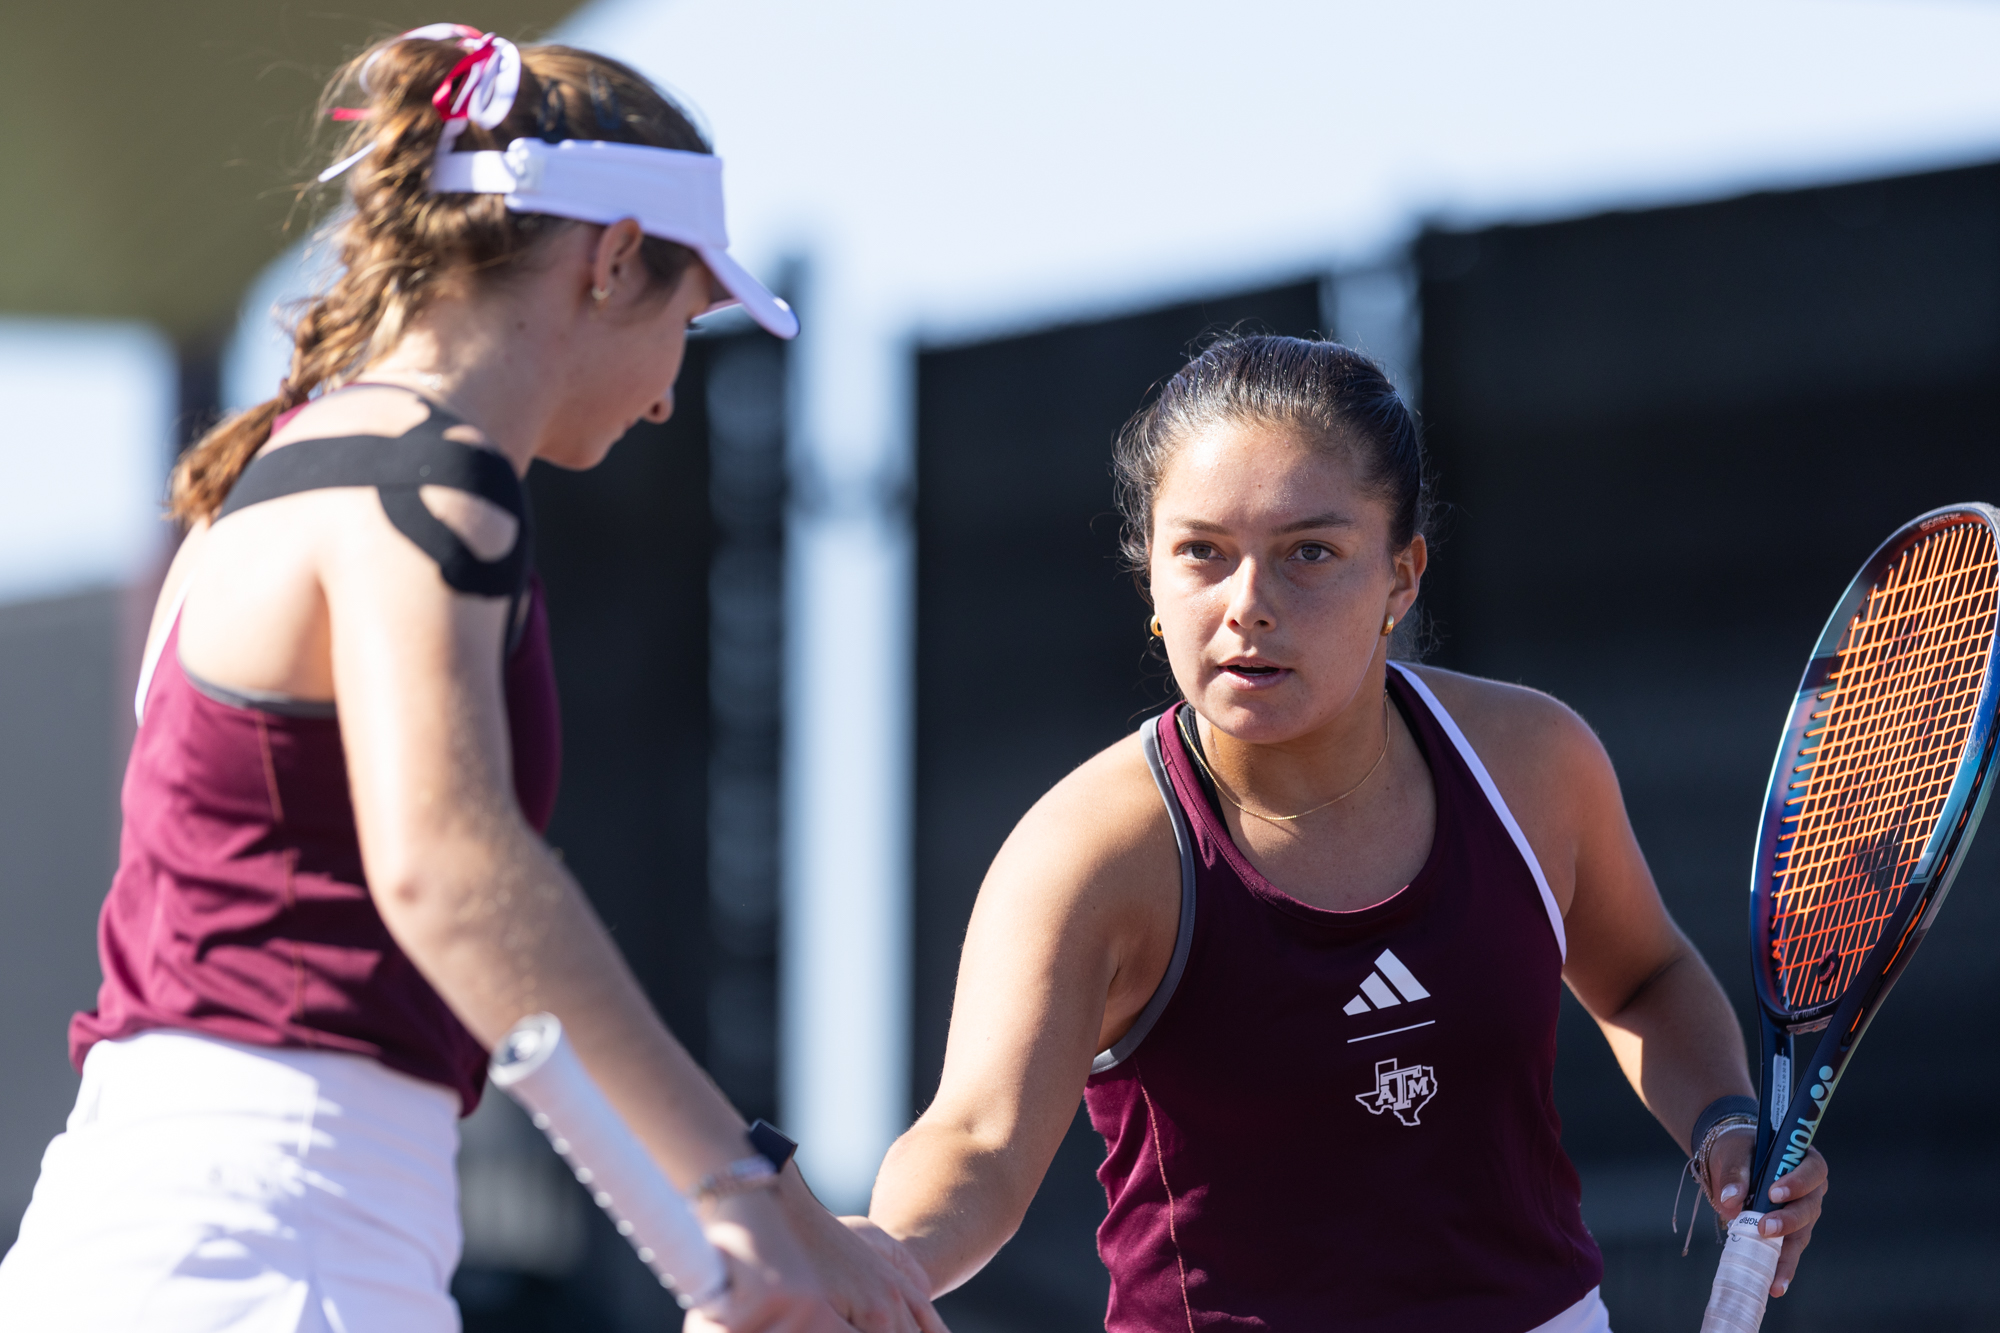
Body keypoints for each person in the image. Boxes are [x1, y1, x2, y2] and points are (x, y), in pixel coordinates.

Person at [0, 27, 940, 1333]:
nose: (674, 391)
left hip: (168, 1224)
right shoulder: (431, 481)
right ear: (614, 259)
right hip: (283, 1237)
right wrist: (740, 1189)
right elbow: (447, 866)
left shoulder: (274, 476)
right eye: (689, 310)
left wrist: (763, 1207)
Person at [858, 336, 1828, 1330]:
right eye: (1200, 552)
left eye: (1307, 553)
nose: (1247, 607)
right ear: (1150, 573)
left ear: (1400, 577)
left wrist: (1725, 1119)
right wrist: (882, 1258)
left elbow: (1640, 979)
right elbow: (976, 1136)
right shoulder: (1088, 854)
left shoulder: (1532, 760)